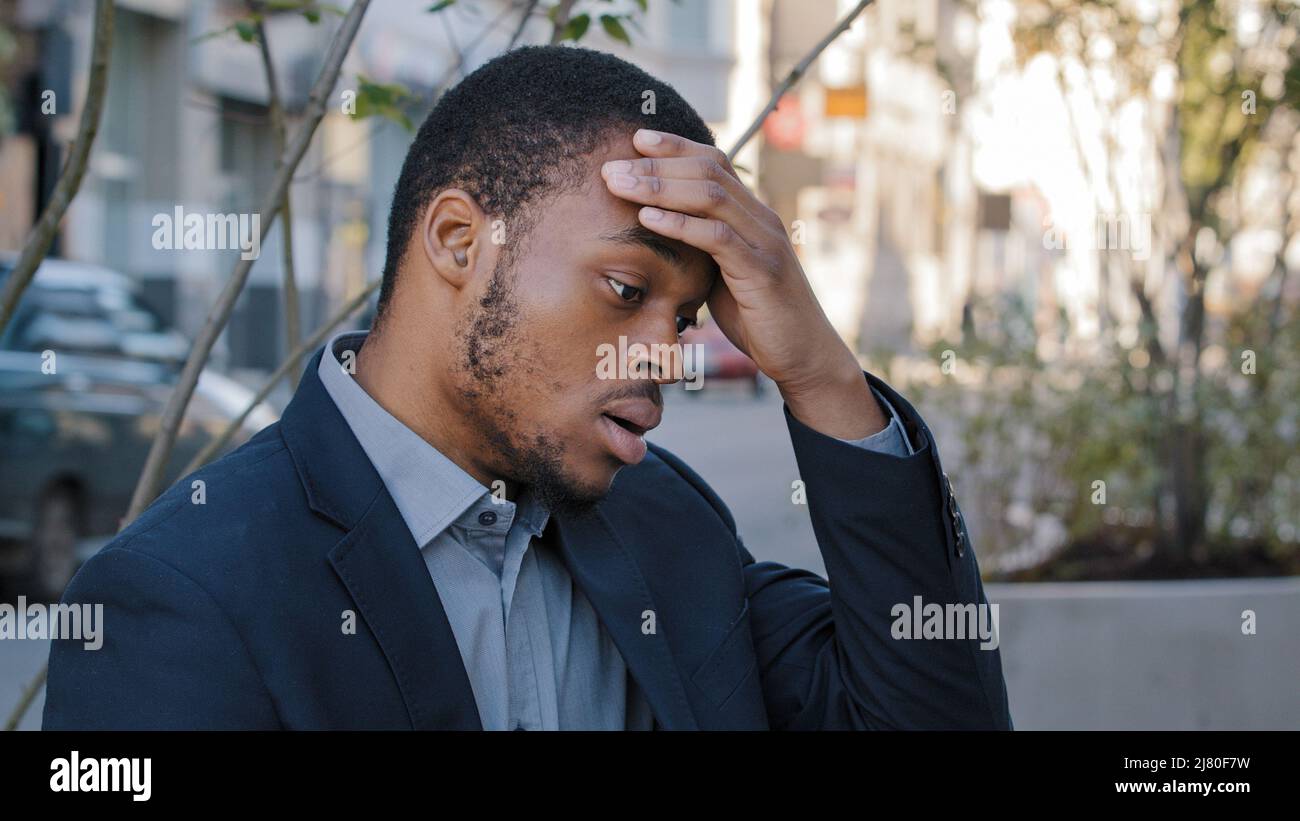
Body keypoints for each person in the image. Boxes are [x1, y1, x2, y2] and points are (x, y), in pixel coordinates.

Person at [43, 45, 1011, 730]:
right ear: (461, 242)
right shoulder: (184, 595)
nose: (665, 356)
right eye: (626, 290)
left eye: (685, 317)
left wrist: (819, 373)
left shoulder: (666, 523)